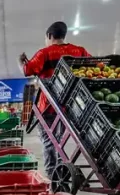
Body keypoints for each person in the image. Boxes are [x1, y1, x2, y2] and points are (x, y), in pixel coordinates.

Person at [19, 21, 89, 177]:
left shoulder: (45, 53)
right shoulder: (79, 51)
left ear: (49, 36)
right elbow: (92, 66)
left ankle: (53, 176)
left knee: (49, 141)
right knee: (59, 141)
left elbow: (28, 70)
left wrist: (22, 62)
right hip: (68, 108)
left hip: (48, 106)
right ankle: (60, 172)